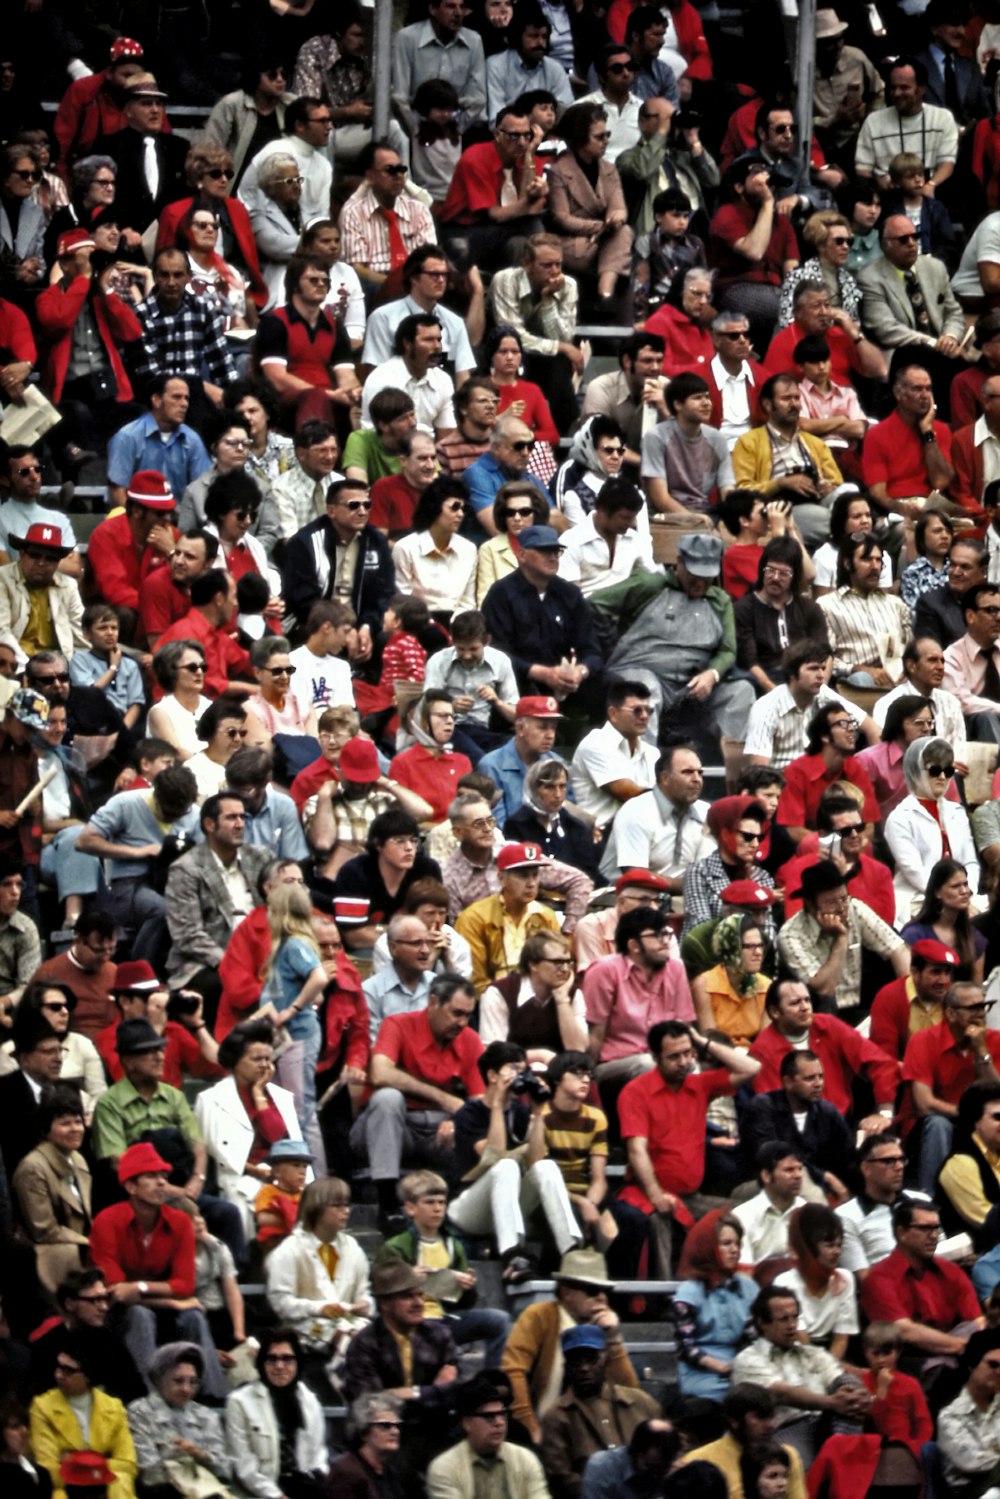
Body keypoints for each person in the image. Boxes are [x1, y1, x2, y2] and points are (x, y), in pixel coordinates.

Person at [617, 1019, 761, 1273]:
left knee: (740, 1216)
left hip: (691, 1196)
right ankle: (664, 1297)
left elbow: (752, 1067)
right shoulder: (635, 1092)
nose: (684, 1062)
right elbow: (636, 1149)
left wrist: (704, 1042)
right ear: (655, 1057)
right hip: (647, 1192)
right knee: (656, 1218)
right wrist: (654, 1195)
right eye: (674, 1056)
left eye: (688, 1053)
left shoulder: (700, 1085)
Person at [87, 1139, 227, 1398]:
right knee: (140, 1314)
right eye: (151, 1177)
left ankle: (213, 1398)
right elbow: (116, 1292)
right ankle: (147, 1401)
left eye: (163, 1176)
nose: (162, 1182)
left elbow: (185, 1285)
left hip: (161, 1312)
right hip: (119, 1315)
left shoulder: (181, 1223)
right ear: (130, 1186)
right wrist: (173, 1302)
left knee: (193, 1317)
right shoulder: (107, 1221)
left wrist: (140, 1287)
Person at [448, 1039, 582, 1282]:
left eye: (523, 1070)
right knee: (506, 1165)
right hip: (469, 1208)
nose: (520, 1076)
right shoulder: (469, 1113)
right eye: (513, 1069)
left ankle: (571, 1251)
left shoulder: (520, 1112)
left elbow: (535, 1161)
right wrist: (498, 1106)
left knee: (547, 1166)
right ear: (492, 1075)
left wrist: (539, 1112)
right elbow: (494, 1156)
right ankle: (512, 1253)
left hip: (508, 1204)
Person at [501, 1247, 639, 1442]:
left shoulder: (605, 1325)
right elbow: (513, 1369)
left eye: (606, 1291)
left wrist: (613, 1339)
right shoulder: (539, 1316)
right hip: (543, 1426)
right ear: (567, 1293)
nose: (602, 1297)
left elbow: (631, 1391)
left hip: (594, 1432)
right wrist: (529, 1426)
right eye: (592, 1290)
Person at [728, 1287, 870, 1466]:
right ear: (762, 1323)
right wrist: (832, 1402)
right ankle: (844, 1463)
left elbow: (837, 1377)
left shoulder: (812, 1353)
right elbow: (781, 1393)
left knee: (849, 1384)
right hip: (784, 1429)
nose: (792, 1325)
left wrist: (857, 1395)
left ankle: (844, 1459)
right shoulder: (747, 1359)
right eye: (783, 1319)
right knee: (796, 1458)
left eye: (795, 1317)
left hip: (825, 1423)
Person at [540, 1323, 662, 1498]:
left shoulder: (641, 1402)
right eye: (576, 1361)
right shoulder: (556, 1417)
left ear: (605, 1358)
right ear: (567, 1366)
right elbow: (563, 1478)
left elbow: (670, 1452)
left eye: (591, 1358)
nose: (584, 1368)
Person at [859, 1197, 984, 1363]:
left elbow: (977, 1322)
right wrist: (965, 1347)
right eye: (925, 1228)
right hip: (910, 1362)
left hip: (960, 1353)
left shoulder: (951, 1271)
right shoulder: (878, 1278)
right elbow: (905, 1331)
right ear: (901, 1232)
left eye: (936, 1228)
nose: (934, 1236)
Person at [731, 375, 842, 552]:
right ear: (768, 405)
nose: (794, 404)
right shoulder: (749, 442)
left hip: (818, 499)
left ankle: (855, 530)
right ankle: (864, 531)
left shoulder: (815, 443)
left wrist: (828, 486)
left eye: (797, 398)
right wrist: (781, 483)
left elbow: (837, 484)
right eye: (786, 399)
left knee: (848, 492)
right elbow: (742, 491)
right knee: (832, 519)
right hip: (780, 508)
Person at [281, 479, 396, 644]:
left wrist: (366, 627)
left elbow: (384, 594)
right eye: (353, 505)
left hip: (363, 624)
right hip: (316, 625)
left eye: (367, 505)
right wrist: (342, 631)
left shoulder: (376, 541)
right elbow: (302, 600)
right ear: (331, 511)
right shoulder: (304, 543)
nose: (362, 511)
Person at [439, 104, 549, 273]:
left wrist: (529, 158)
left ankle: (519, 294)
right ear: (497, 134)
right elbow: (495, 215)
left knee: (520, 245)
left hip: (505, 229)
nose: (521, 143)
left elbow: (528, 208)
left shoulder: (527, 157)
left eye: (527, 135)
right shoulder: (475, 157)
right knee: (533, 225)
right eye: (513, 136)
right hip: (466, 230)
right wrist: (530, 201)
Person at [224, 1328, 329, 1499]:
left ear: (298, 1363)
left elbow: (319, 1456)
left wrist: (317, 1481)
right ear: (262, 1363)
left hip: (304, 1488)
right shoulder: (239, 1402)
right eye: (271, 1359)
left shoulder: (310, 1401)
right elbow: (243, 1465)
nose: (279, 1366)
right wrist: (277, 1496)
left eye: (287, 1359)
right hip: (259, 1493)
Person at [29, 1345, 137, 1499]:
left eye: (68, 1370)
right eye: (58, 1367)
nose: (59, 1375)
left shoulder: (114, 1407)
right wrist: (102, 1462)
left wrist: (74, 1462)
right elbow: (49, 1470)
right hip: (66, 1489)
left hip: (106, 1485)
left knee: (121, 1481)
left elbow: (128, 1464)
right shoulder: (42, 1407)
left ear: (88, 1375)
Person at [126, 1341, 231, 1498]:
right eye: (178, 1381)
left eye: (193, 1382)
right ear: (159, 1379)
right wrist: (175, 1455)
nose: (186, 1389)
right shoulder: (140, 1411)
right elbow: (147, 1474)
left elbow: (225, 1470)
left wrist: (200, 1455)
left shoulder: (206, 1416)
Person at [672, 1210, 757, 1400]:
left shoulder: (747, 1287)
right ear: (709, 1247)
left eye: (737, 1244)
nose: (735, 1250)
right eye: (727, 1244)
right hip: (701, 1372)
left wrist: (740, 1367)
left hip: (741, 1368)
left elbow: (751, 1338)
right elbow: (686, 1348)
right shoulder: (689, 1292)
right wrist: (722, 1368)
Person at [600, 745, 712, 888]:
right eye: (688, 772)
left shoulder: (706, 812)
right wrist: (690, 886)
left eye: (700, 773)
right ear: (664, 778)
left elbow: (707, 873)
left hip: (686, 897)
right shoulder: (636, 811)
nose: (697, 779)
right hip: (627, 897)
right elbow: (635, 876)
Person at [427, 1373, 549, 1499]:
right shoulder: (444, 1468)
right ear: (467, 1423)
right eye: (489, 1416)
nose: (499, 1422)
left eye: (502, 1414)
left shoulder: (525, 1460)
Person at [679, 1383, 808, 1499]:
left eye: (771, 1416)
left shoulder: (787, 1454)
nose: (771, 1425)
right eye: (760, 1417)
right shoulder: (698, 1460)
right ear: (734, 1420)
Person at [735, 540, 829, 695]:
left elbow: (825, 652)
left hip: (807, 677)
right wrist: (775, 692)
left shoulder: (809, 608)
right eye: (770, 570)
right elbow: (750, 662)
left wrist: (821, 683)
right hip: (765, 680)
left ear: (795, 576)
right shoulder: (744, 608)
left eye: (784, 573)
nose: (776, 578)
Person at [944, 580, 1000, 743]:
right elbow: (960, 702)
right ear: (971, 616)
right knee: (985, 717)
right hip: (971, 731)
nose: (999, 618)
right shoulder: (952, 657)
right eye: (992, 611)